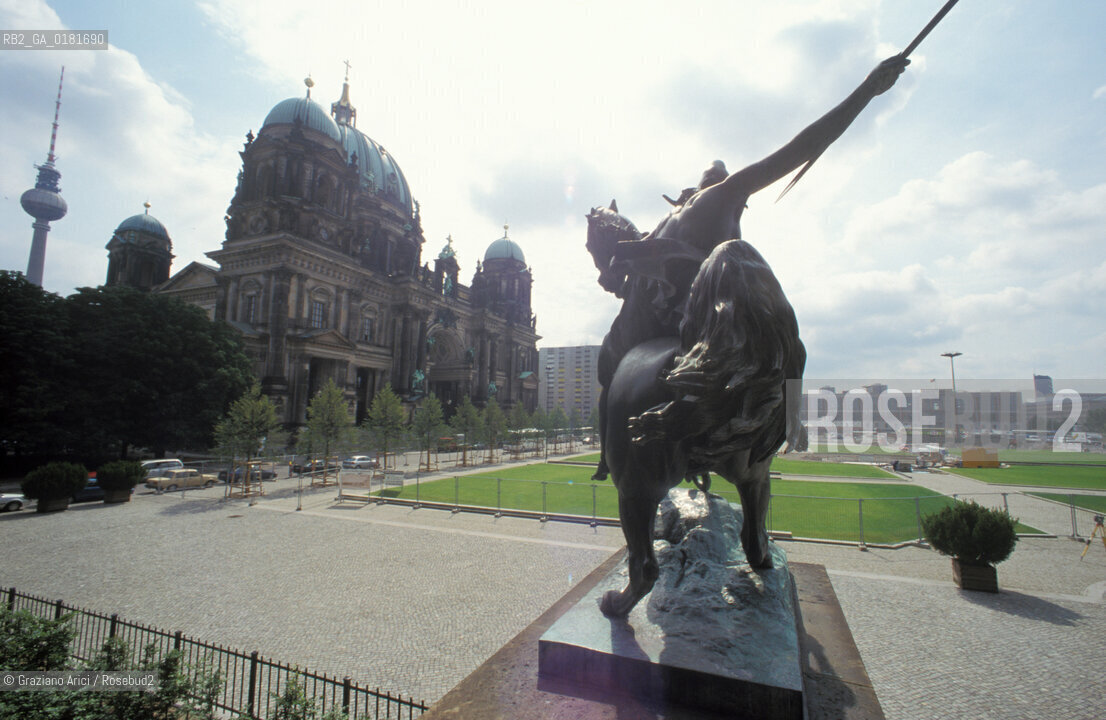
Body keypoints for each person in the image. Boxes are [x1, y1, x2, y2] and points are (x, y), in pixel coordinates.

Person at [591, 54, 910, 481]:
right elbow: (800, 148)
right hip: (707, 313)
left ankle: (608, 453)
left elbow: (627, 261)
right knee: (791, 345)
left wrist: (618, 267)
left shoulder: (667, 220)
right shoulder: (721, 196)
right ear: (716, 184)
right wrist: (866, 91)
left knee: (610, 362)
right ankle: (790, 424)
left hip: (659, 323)